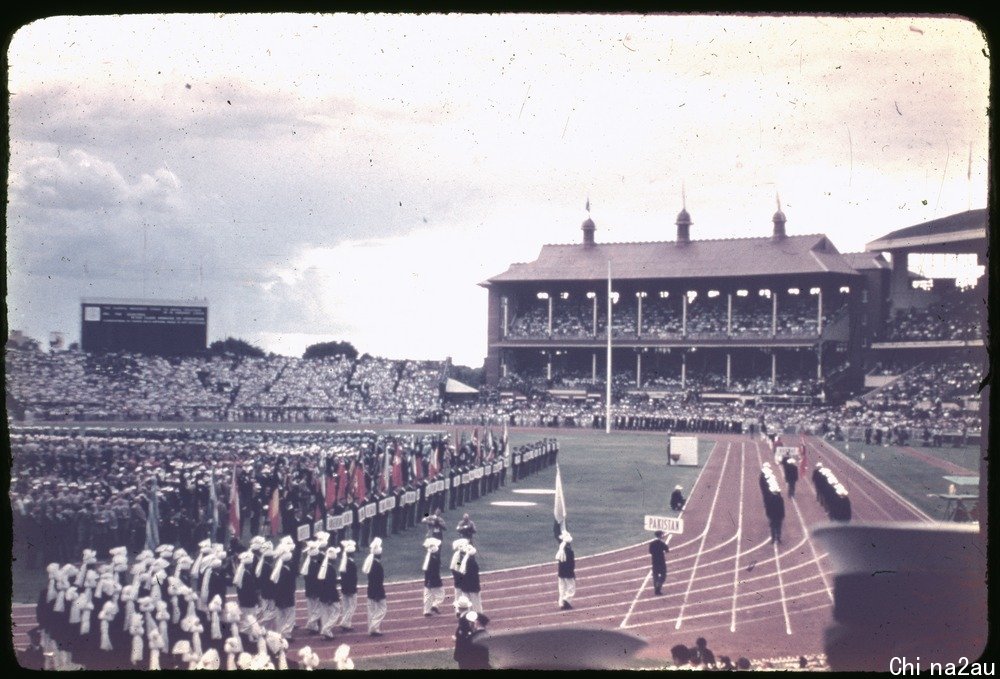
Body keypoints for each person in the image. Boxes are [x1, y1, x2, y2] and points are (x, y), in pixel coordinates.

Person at [363, 538, 386, 637]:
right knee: (382, 609)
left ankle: (373, 628)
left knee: (372, 610)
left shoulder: (371, 564)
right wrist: (378, 593)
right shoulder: (377, 565)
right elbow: (377, 581)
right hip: (377, 591)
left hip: (371, 590)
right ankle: (374, 627)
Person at [337, 540, 358, 632]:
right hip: (350, 588)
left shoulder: (344, 562)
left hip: (344, 588)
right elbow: (352, 578)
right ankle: (345, 623)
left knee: (346, 607)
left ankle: (346, 623)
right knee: (351, 606)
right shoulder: (351, 564)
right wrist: (351, 589)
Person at [421, 537, 445, 617]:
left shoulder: (429, 557)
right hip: (434, 579)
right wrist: (459, 566)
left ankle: (427, 611)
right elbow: (456, 565)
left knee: (428, 595)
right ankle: (434, 605)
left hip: (428, 578)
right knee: (441, 595)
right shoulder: (435, 558)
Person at [555, 530, 576, 610]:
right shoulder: (569, 551)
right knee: (570, 588)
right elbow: (571, 564)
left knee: (562, 588)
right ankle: (566, 601)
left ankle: (561, 603)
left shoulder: (560, 551)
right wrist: (572, 573)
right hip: (568, 573)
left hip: (561, 573)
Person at [648, 530, 669, 595]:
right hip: (661, 562)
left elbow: (650, 552)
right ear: (660, 535)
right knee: (663, 575)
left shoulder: (651, 543)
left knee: (655, 575)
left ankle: (656, 590)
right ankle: (658, 586)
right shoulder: (662, 543)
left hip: (654, 561)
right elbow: (667, 549)